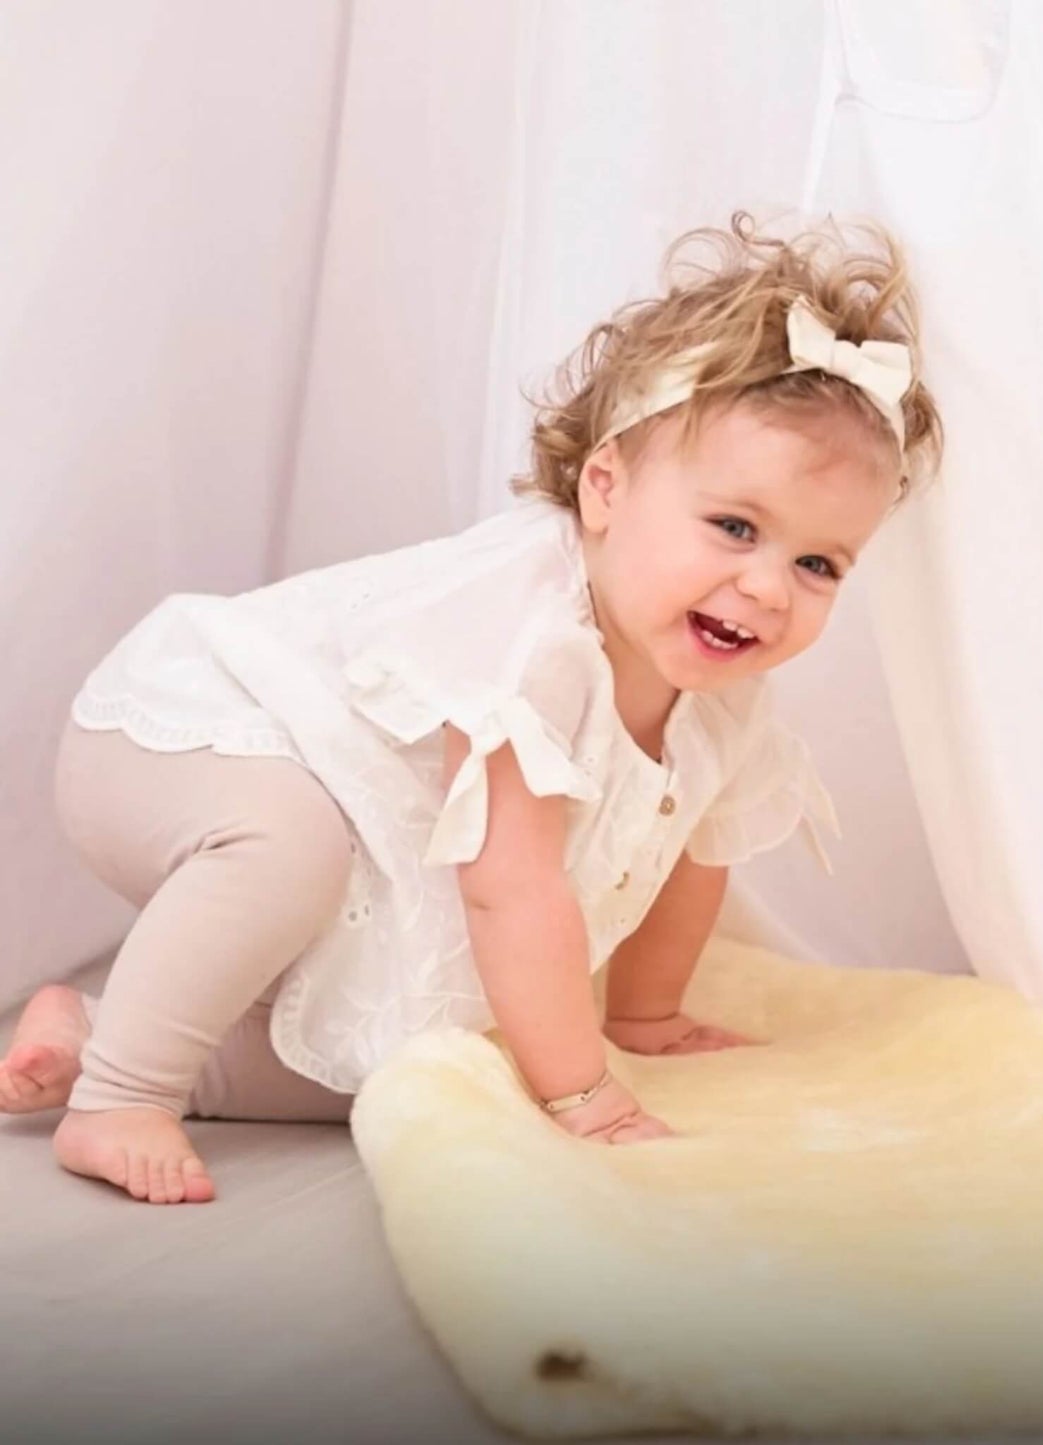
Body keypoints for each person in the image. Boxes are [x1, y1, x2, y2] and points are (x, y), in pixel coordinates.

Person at [0, 211, 943, 1204]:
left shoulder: (721, 688)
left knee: (409, 1053)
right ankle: (121, 1092)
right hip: (185, 725)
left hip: (314, 791)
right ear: (604, 489)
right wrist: (582, 1092)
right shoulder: (529, 637)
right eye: (732, 526)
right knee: (289, 847)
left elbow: (690, 852)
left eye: (815, 563)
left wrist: (646, 1014)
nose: (765, 587)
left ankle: (100, 1035)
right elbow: (509, 885)